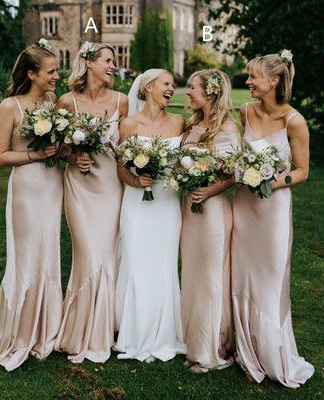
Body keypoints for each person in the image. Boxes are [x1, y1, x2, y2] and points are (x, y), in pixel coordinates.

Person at [0, 39, 63, 371]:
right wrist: (35, 155)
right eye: (50, 72)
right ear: (32, 73)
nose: (56, 77)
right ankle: (18, 331)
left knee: (48, 252)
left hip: (53, 186)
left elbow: (58, 144)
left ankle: (46, 327)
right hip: (26, 189)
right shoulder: (11, 107)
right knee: (26, 257)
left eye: (56, 71)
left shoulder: (52, 102)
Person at [231, 50, 314, 387]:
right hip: (244, 207)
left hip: (273, 210)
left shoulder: (294, 121)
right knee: (243, 276)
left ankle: (273, 354)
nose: (248, 82)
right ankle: (247, 353)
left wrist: (272, 180)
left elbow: (303, 171)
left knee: (269, 280)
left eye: (253, 77)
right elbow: (237, 153)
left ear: (274, 80)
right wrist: (243, 172)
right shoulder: (246, 110)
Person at [54, 42, 128, 363]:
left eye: (114, 61)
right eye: (108, 60)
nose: (114, 66)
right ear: (89, 63)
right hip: (80, 188)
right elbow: (56, 148)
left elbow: (127, 148)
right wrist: (75, 155)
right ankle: (80, 325)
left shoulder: (122, 102)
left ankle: (105, 325)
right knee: (88, 254)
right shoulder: (66, 102)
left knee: (107, 257)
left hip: (111, 187)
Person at [114, 69, 186, 362]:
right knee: (135, 259)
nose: (172, 88)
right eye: (166, 84)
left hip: (167, 203)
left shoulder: (179, 122)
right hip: (137, 203)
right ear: (149, 88)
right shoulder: (129, 124)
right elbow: (120, 168)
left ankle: (165, 331)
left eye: (173, 85)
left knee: (164, 262)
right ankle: (133, 331)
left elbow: (185, 162)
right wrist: (136, 181)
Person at [180, 69, 239, 374]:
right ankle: (191, 338)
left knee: (211, 276)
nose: (188, 92)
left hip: (213, 211)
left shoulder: (227, 129)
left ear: (211, 92)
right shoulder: (192, 125)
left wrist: (209, 189)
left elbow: (232, 175)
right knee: (192, 273)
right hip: (190, 211)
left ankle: (210, 348)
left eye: (193, 88)